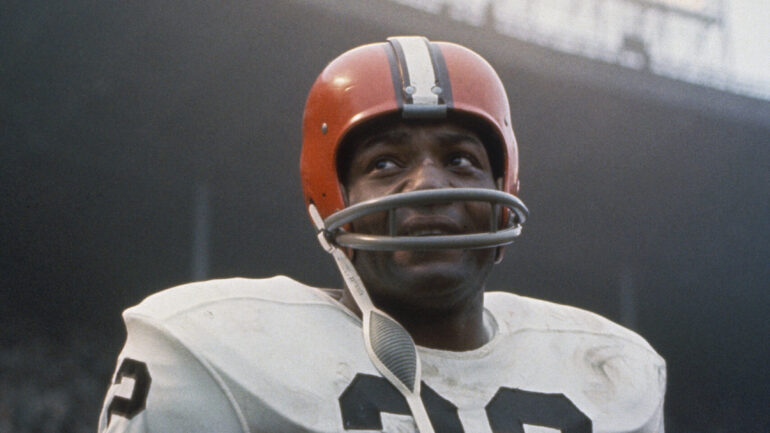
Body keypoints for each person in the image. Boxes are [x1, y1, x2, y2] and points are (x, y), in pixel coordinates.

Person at [98, 36, 666, 433]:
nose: (429, 185)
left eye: (462, 159)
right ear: (332, 196)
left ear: (505, 185)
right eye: (386, 164)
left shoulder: (614, 371)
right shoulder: (212, 348)